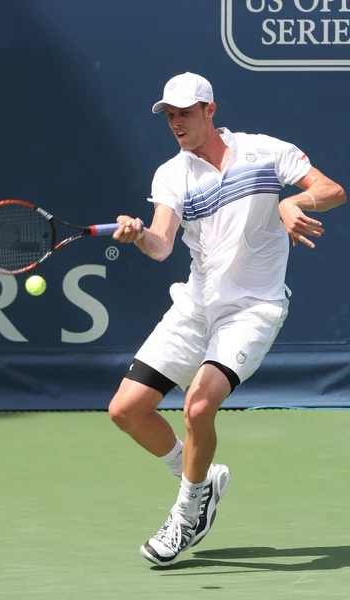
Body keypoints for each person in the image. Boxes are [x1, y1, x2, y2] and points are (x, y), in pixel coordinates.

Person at [108, 72, 346, 567]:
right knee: (126, 411)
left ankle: (187, 513)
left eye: (185, 113)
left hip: (254, 307)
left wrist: (293, 201)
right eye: (169, 115)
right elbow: (162, 243)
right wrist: (138, 235)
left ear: (210, 110)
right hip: (197, 305)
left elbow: (332, 190)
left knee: (198, 406)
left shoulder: (265, 151)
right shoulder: (171, 174)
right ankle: (200, 475)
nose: (176, 122)